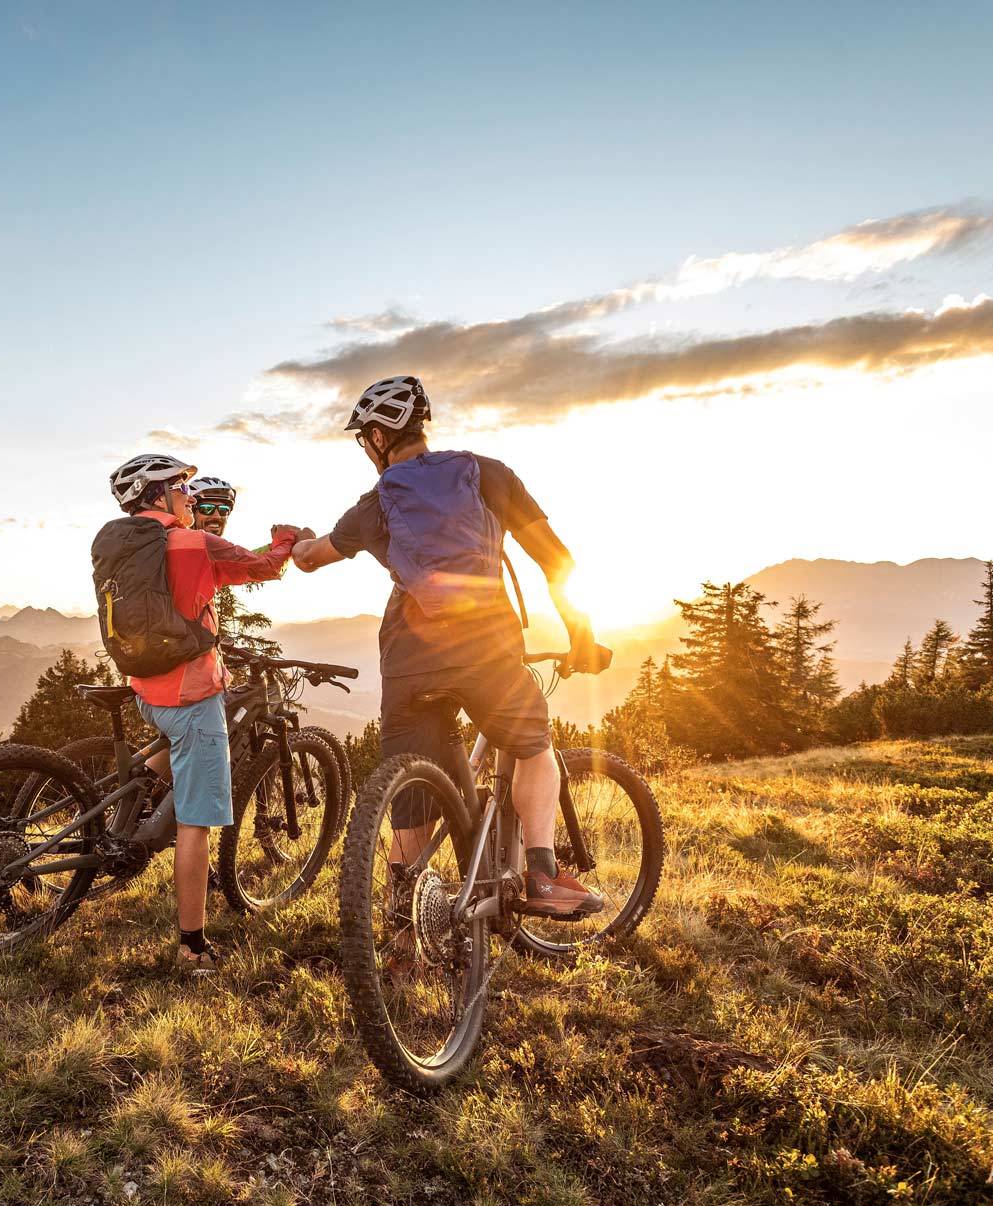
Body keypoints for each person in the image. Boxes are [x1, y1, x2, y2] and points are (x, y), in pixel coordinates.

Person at [290, 376, 610, 917]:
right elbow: (557, 561)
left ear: (376, 436)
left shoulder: (374, 505)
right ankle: (541, 875)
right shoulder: (489, 474)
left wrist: (295, 541)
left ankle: (398, 928)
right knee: (534, 747)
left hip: (408, 661)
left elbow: (311, 556)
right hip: (487, 650)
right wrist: (580, 633)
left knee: (411, 802)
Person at [95, 454, 303, 973]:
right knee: (197, 824)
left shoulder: (122, 544)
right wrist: (286, 538)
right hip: (191, 697)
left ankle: (134, 796)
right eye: (182, 489)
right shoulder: (194, 543)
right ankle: (192, 947)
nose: (190, 498)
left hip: (145, 688)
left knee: (175, 743)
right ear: (158, 495)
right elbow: (264, 566)